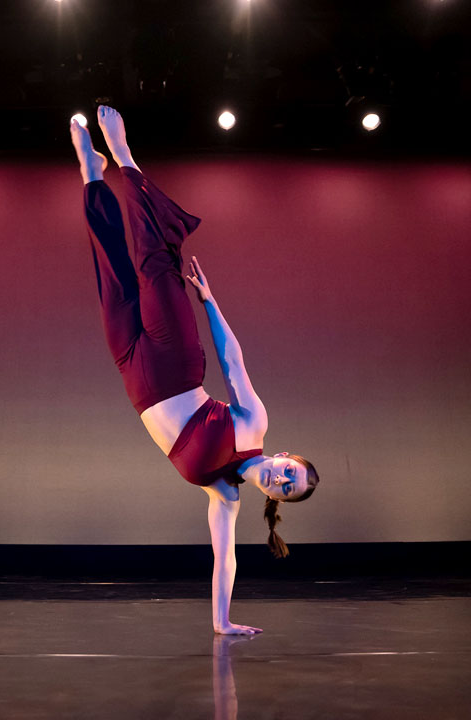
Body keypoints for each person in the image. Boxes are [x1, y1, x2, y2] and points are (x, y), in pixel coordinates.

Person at [70, 106, 320, 635]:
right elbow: (233, 361)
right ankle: (124, 157)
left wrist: (223, 625)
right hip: (177, 361)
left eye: (286, 490)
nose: (281, 480)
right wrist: (209, 303)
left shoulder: (224, 496)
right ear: (286, 456)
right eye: (291, 473)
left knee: (112, 274)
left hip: (134, 376)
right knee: (151, 263)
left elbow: (223, 562)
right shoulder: (254, 425)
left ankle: (93, 175)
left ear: (276, 500)